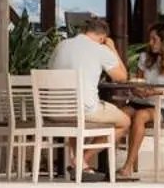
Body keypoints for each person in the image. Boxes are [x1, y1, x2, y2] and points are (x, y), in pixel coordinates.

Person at [49, 16, 131, 175]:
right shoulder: (100, 49)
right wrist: (112, 48)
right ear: (102, 38)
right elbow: (122, 77)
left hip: (55, 110)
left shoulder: (61, 45)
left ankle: (79, 161)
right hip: (84, 110)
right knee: (125, 122)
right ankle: (82, 159)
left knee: (75, 113)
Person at [121, 20, 164, 179]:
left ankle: (127, 166)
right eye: (150, 39)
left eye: (154, 39)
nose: (150, 43)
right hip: (139, 102)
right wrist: (138, 90)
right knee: (118, 116)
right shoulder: (145, 58)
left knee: (140, 116)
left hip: (162, 107)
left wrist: (157, 92)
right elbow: (138, 82)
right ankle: (102, 164)